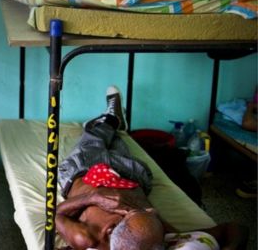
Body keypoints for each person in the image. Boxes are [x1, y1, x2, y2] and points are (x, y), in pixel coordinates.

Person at [56, 86, 248, 250]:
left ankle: (108, 120)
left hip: (87, 173)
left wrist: (94, 197)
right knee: (119, 142)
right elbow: (236, 228)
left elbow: (57, 214)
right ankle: (114, 125)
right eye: (151, 214)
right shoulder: (159, 235)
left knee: (95, 140)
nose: (151, 211)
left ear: (110, 229)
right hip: (131, 175)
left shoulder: (87, 237)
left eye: (136, 212)